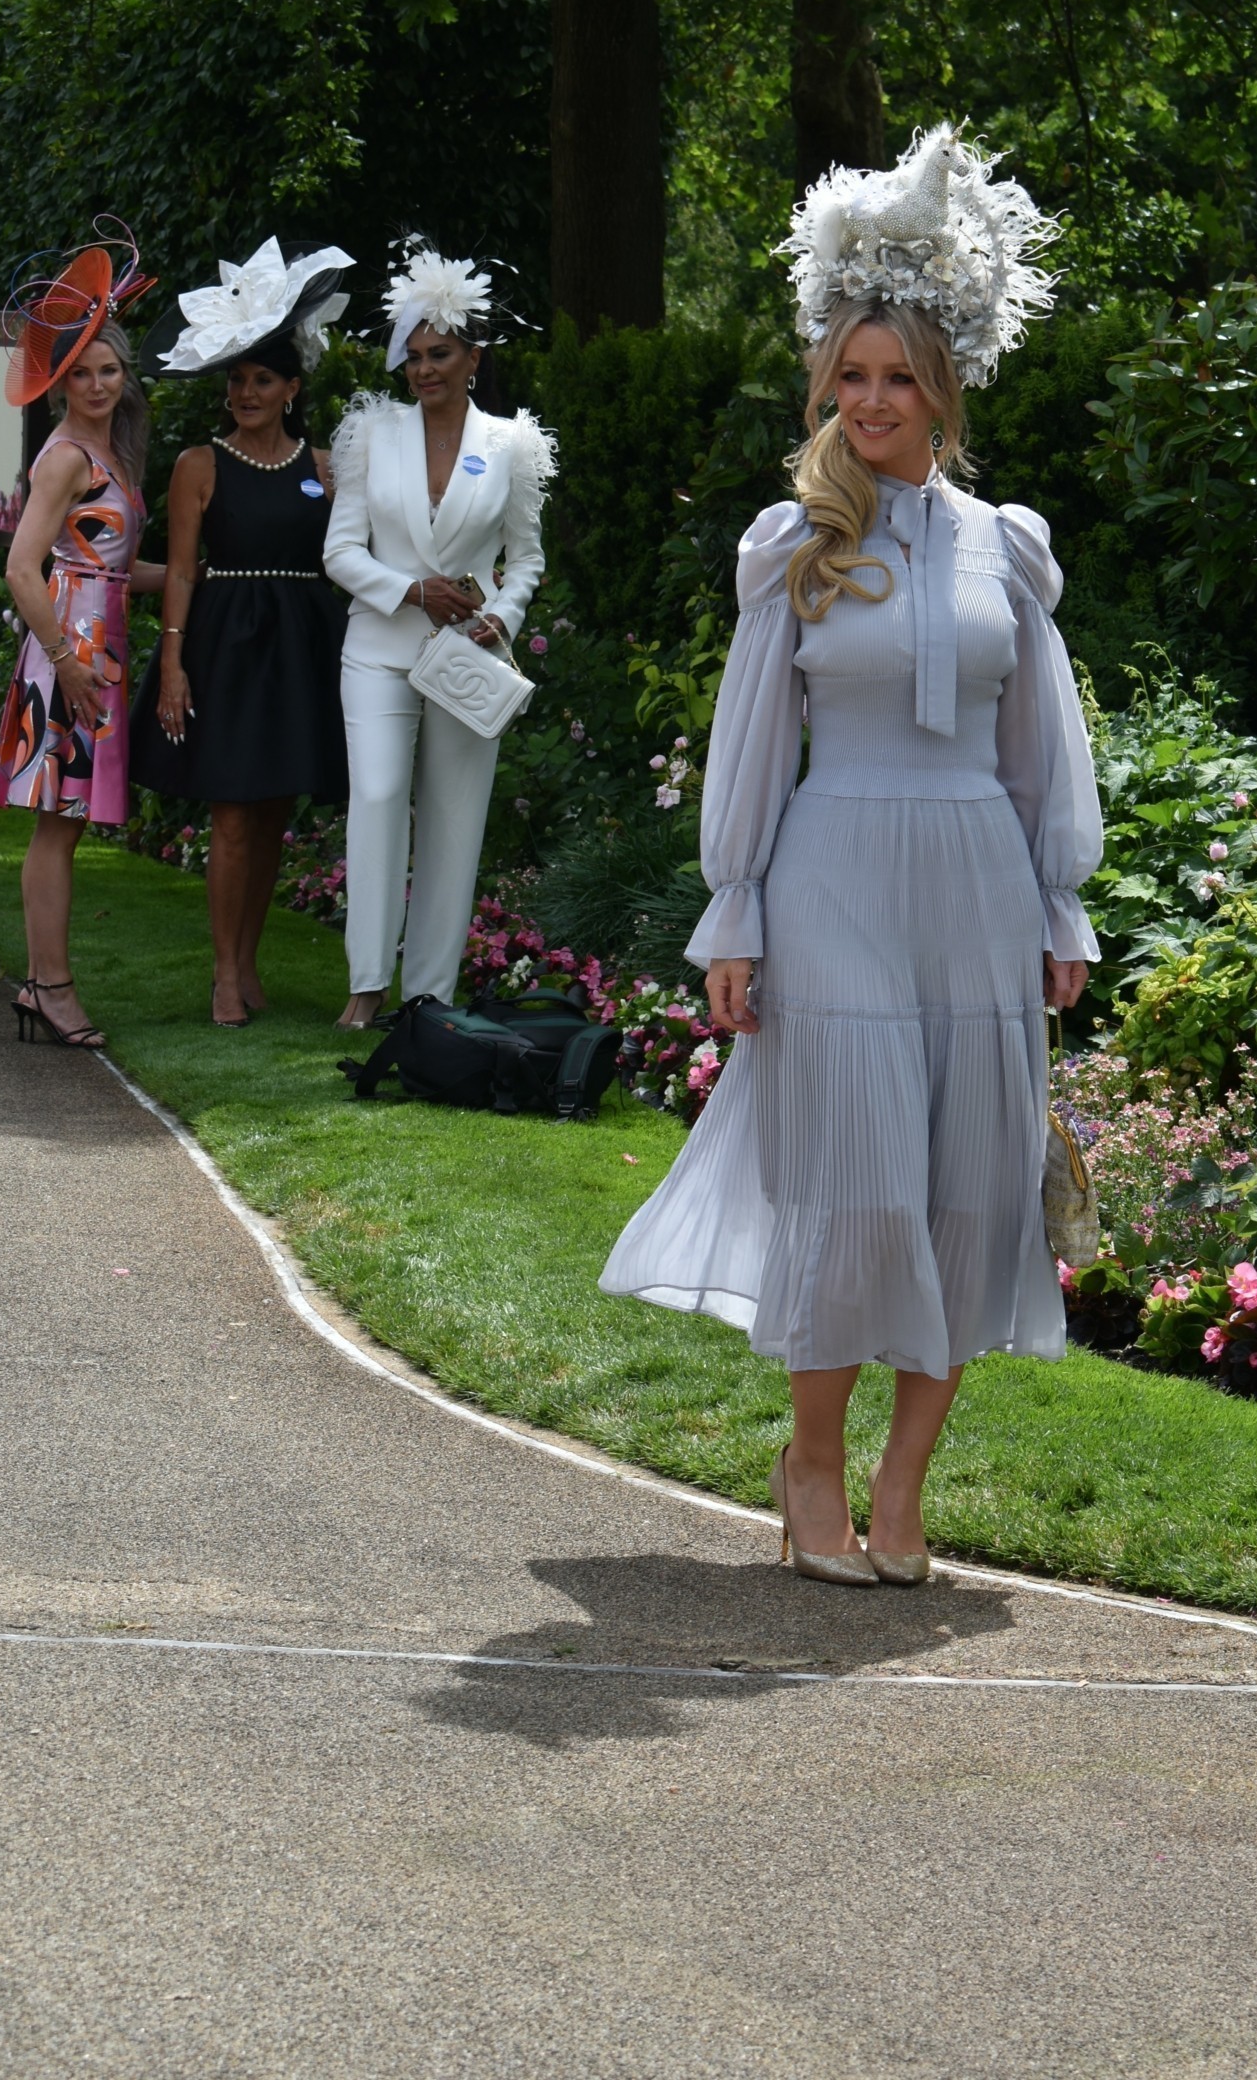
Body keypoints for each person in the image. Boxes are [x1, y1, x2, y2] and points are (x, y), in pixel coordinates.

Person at [600, 125, 1103, 1587]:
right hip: (831, 890)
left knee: (969, 1195)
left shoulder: (1007, 547)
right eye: (853, 375)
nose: (871, 401)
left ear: (943, 390)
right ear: (827, 380)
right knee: (856, 1187)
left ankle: (899, 1489)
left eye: (899, 379)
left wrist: (1057, 903)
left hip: (978, 890)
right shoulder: (795, 541)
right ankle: (807, 1461)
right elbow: (751, 743)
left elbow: (1039, 742)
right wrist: (731, 915)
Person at [322, 239, 553, 1029]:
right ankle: (363, 985)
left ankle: (427, 997)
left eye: (439, 353)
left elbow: (525, 559)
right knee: (380, 795)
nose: (423, 369)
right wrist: (409, 589)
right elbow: (339, 552)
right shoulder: (368, 433)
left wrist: (503, 613)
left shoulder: (512, 444)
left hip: (467, 657)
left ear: (472, 358)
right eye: (414, 355)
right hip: (379, 646)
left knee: (456, 820)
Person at [130, 238, 355, 1026]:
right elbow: (183, 571)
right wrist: (172, 663)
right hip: (223, 646)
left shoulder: (326, 467)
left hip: (300, 651)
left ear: (292, 387)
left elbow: (350, 559)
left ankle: (251, 959)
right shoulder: (200, 463)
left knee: (272, 813)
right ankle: (224, 973)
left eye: (262, 379)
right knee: (229, 812)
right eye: (236, 380)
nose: (246, 393)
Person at [0, 232, 163, 1048]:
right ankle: (48, 987)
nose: (96, 384)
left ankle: (44, 983)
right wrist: (67, 663)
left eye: (109, 370)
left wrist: (214, 575)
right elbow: (25, 572)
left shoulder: (110, 450)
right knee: (56, 822)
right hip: (70, 648)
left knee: (65, 823)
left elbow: (117, 566)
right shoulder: (63, 457)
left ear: (125, 377)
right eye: (82, 370)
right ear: (61, 378)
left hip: (96, 638)